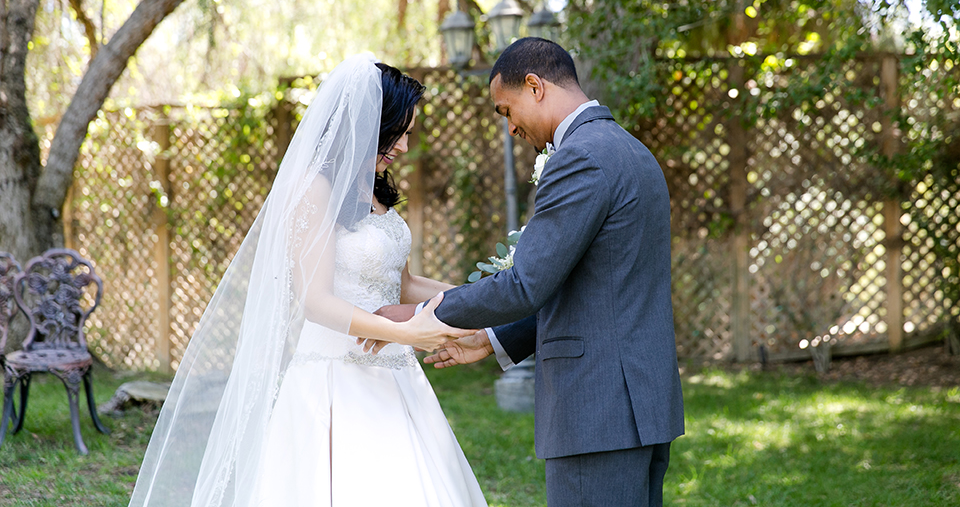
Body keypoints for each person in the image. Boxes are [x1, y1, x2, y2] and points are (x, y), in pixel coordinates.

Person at [128, 54, 486, 507]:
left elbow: (405, 283)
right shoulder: (313, 190)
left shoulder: (375, 190)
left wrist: (481, 297)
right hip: (335, 378)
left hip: (395, 374)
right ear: (370, 124)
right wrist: (404, 332)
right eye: (398, 132)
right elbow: (314, 302)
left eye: (409, 134)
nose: (403, 147)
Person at [376, 38, 685, 507]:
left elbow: (526, 283)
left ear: (535, 87)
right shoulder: (631, 151)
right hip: (640, 405)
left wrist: (423, 314)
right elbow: (594, 290)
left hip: (598, 411)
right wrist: (491, 339)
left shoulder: (580, 156)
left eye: (506, 110)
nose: (511, 128)